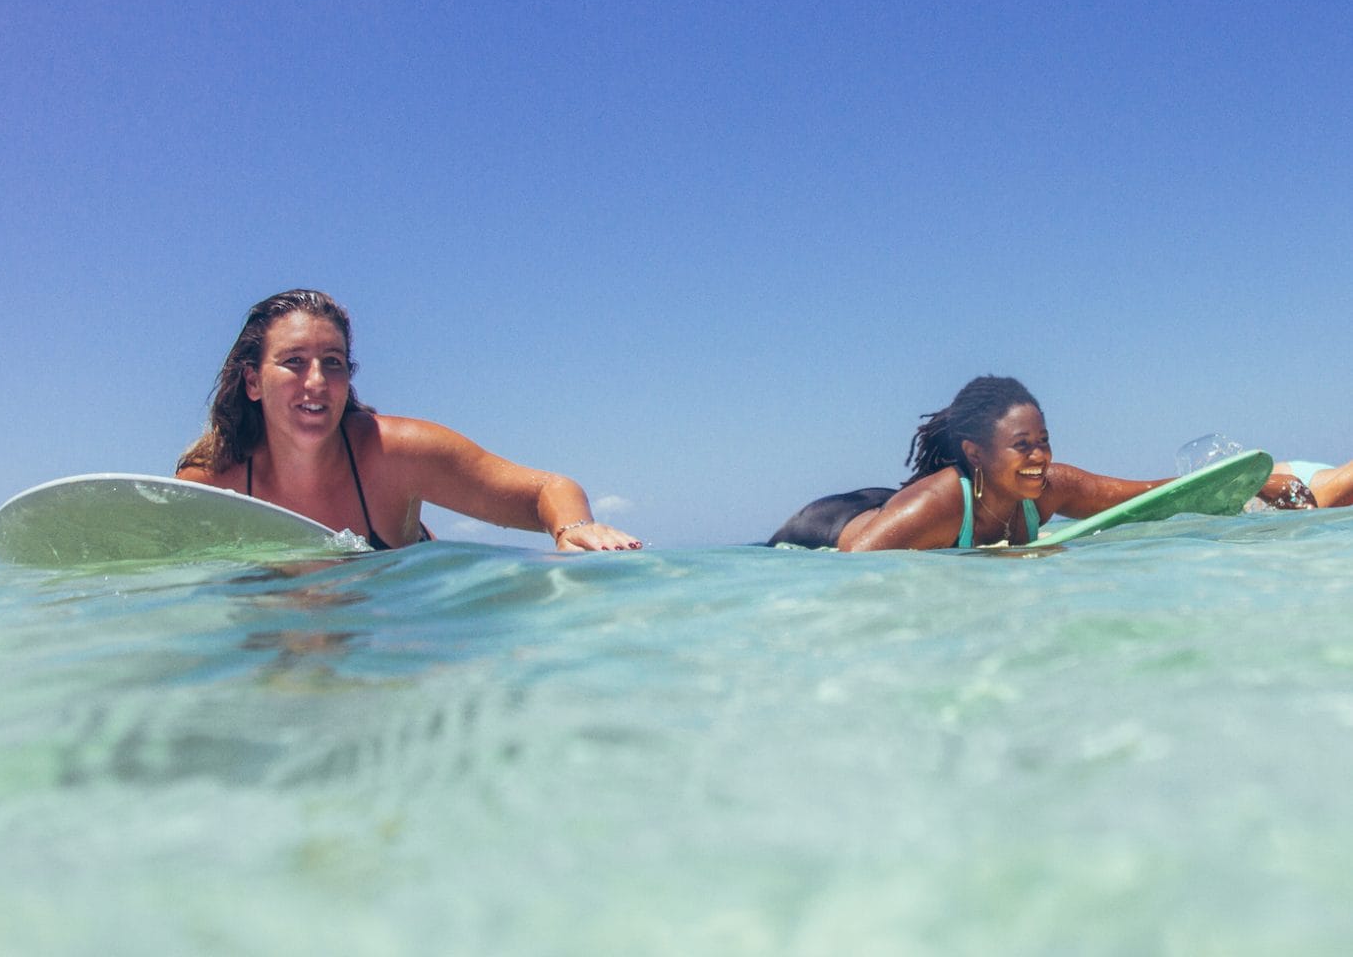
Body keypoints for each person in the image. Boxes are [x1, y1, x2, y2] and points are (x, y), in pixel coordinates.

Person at [176, 289, 641, 552]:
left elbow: (548, 489)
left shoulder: (395, 456)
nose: (316, 380)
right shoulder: (211, 483)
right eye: (294, 361)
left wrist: (573, 529)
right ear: (253, 382)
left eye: (333, 362)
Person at [767, 375, 1306, 553]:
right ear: (976, 453)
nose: (1039, 456)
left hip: (899, 511)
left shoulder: (1047, 486)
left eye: (1043, 441)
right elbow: (855, 561)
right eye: (1022, 445)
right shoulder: (943, 502)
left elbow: (1142, 499)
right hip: (830, 527)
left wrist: (1252, 486)